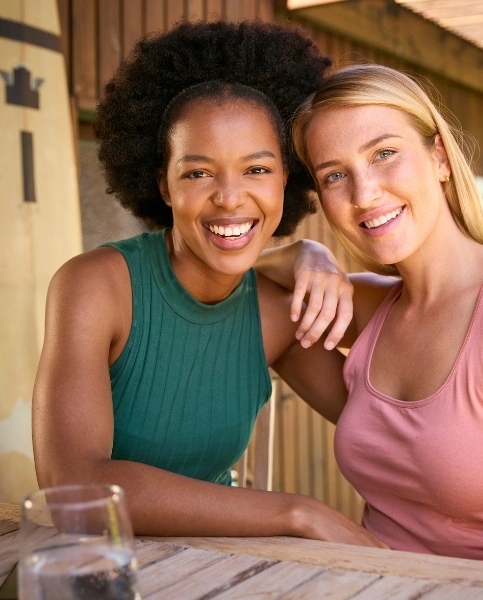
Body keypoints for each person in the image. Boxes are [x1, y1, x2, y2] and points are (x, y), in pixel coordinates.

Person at [32, 21, 386, 548]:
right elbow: (75, 490)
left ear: (285, 179)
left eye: (256, 170)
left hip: (215, 565)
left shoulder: (275, 313)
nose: (229, 197)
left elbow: (387, 435)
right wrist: (297, 513)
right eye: (198, 173)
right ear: (163, 184)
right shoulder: (95, 287)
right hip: (101, 567)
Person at [281, 63, 483, 571]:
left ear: (441, 158)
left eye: (384, 154)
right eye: (335, 176)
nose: (364, 194)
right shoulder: (366, 307)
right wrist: (304, 254)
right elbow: (240, 285)